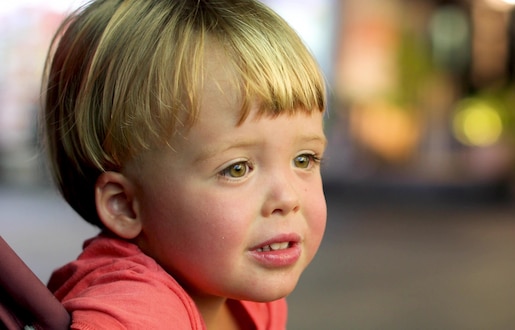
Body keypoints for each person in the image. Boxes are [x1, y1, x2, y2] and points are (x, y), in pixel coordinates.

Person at [41, 0, 327, 328]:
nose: (288, 198)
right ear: (125, 206)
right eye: (237, 168)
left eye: (304, 159)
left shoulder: (249, 296)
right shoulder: (139, 309)